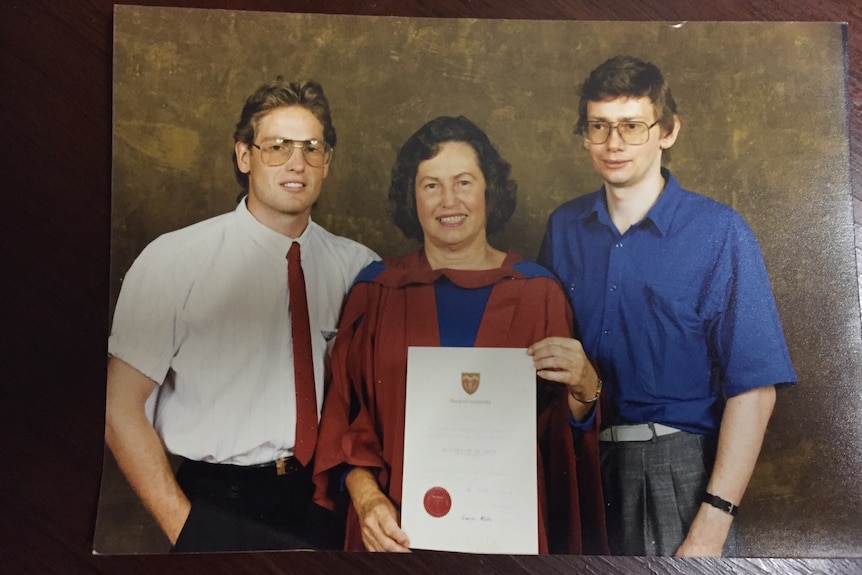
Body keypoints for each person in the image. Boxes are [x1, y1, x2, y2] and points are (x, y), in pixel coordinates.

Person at [312, 115, 608, 554]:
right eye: (431, 185)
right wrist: (368, 499)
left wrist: (587, 389)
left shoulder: (537, 294)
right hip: (396, 537)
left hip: (506, 540)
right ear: (412, 198)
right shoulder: (376, 291)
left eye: (464, 182)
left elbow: (558, 442)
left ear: (490, 189)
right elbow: (345, 421)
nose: (448, 200)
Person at [538, 55, 797, 556]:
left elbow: (755, 390)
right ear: (584, 135)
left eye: (632, 126)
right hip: (583, 470)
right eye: (599, 127)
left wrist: (714, 520)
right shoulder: (563, 228)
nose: (614, 144)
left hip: (680, 475)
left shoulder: (720, 232)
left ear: (668, 132)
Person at [104, 78, 378, 552]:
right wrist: (185, 528)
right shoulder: (173, 260)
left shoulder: (360, 269)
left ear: (327, 162)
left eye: (312, 147)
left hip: (325, 498)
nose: (297, 163)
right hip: (215, 500)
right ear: (244, 156)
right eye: (277, 146)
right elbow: (118, 410)